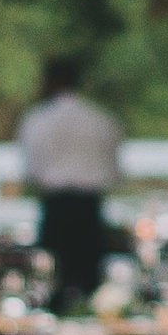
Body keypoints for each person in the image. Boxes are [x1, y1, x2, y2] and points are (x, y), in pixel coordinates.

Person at [15, 57, 123, 311]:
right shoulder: (101, 119)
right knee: (90, 285)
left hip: (56, 209)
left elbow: (31, 170)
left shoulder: (37, 119)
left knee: (51, 283)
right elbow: (114, 171)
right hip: (89, 210)